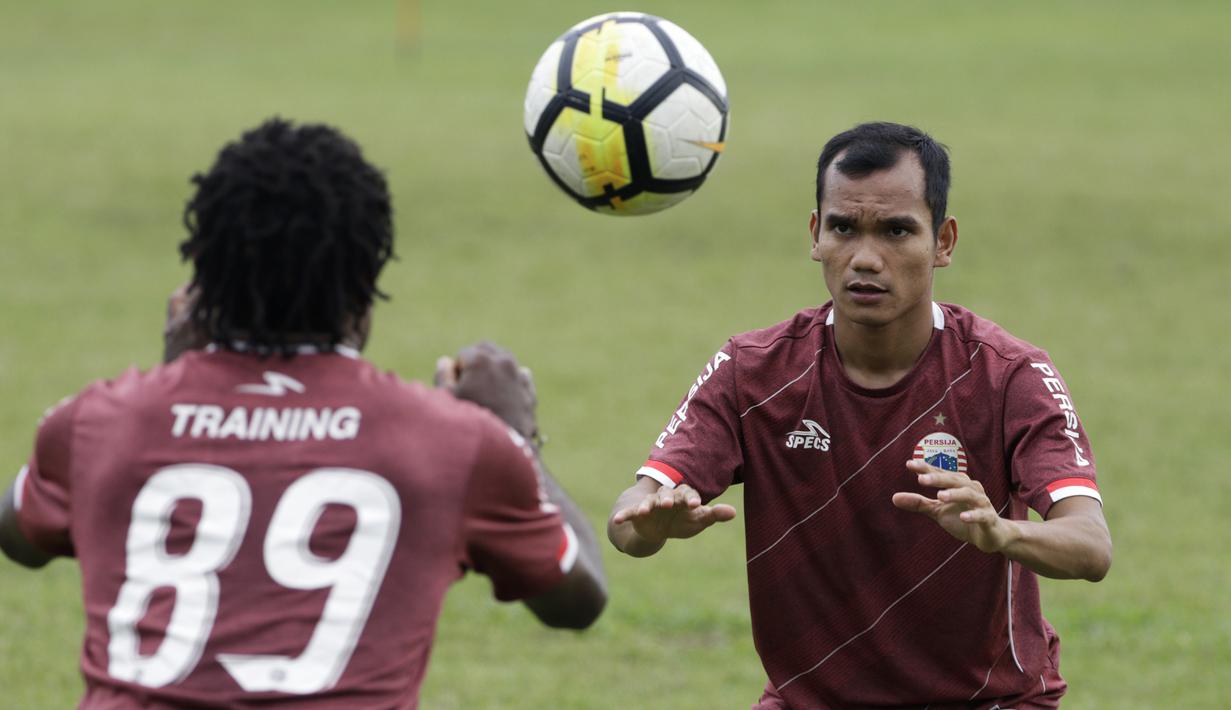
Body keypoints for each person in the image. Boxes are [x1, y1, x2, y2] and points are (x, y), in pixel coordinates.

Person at [0, 118, 606, 708]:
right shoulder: (452, 443)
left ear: (202, 273)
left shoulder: (98, 423)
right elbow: (577, 601)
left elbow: (18, 535)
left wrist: (169, 384)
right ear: (367, 281)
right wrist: (516, 437)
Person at [608, 121, 1111, 709]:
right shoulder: (754, 372)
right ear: (816, 234)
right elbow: (630, 516)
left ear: (943, 242)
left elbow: (1090, 545)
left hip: (986, 701)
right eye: (844, 228)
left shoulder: (1008, 376)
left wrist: (1003, 533)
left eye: (897, 231)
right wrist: (647, 525)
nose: (865, 258)